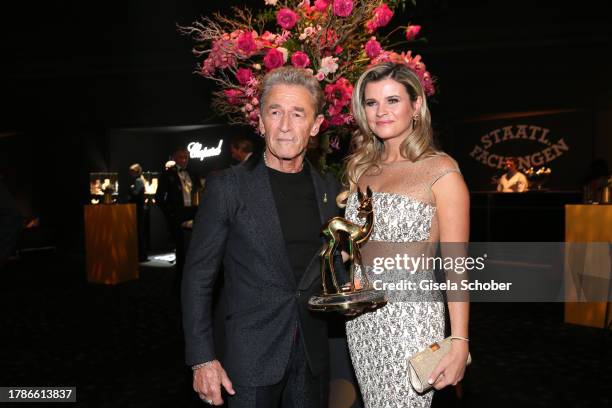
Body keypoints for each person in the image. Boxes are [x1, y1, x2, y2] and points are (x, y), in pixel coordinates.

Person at [182, 67, 343, 408]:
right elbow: (198, 277)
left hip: (313, 356)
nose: (285, 126)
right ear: (260, 122)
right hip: (248, 357)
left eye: (298, 114)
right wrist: (202, 359)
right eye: (275, 112)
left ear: (315, 126)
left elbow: (331, 271)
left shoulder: (330, 189)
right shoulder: (228, 187)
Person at [341, 62, 470, 407]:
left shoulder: (441, 170)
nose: (381, 111)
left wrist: (459, 341)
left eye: (393, 100)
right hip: (362, 322)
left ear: (415, 107)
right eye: (371, 103)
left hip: (410, 321)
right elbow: (356, 251)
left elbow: (457, 265)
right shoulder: (363, 170)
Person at [156, 147, 202, 291]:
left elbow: (200, 190)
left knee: (195, 249)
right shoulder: (167, 174)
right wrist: (170, 214)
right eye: (181, 157)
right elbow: (159, 198)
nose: (184, 160)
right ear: (174, 158)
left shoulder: (193, 173)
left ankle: (194, 282)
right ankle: (180, 284)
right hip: (178, 215)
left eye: (186, 157)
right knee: (182, 250)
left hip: (195, 213)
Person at [128, 164, 148, 262]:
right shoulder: (140, 180)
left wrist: (131, 189)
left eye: (131, 172)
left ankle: (142, 255)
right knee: (139, 231)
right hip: (139, 208)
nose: (130, 173)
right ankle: (142, 255)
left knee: (139, 231)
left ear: (136, 172)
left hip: (139, 209)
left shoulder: (138, 181)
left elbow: (135, 194)